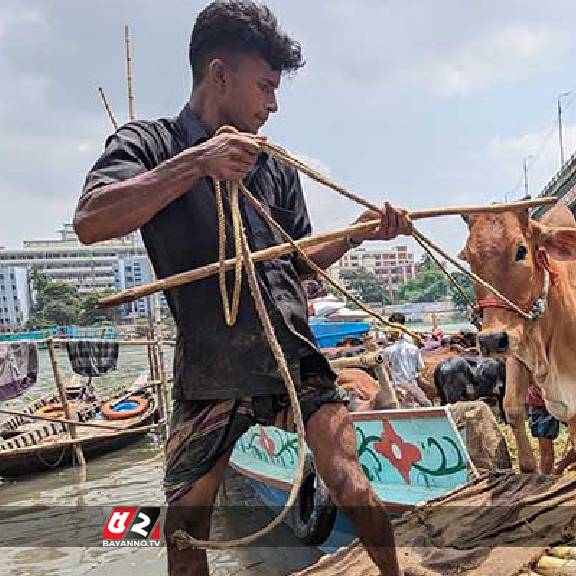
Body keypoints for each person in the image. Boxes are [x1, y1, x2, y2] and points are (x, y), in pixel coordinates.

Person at [73, 3, 407, 574]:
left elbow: (297, 263)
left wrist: (358, 234)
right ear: (220, 75)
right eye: (265, 87)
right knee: (183, 533)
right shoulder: (151, 144)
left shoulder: (275, 166)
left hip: (291, 353)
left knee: (353, 484)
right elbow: (90, 221)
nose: (272, 105)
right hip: (211, 365)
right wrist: (197, 164)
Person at [383, 313, 431, 407]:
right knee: (426, 403)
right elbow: (420, 368)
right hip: (413, 386)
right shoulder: (413, 348)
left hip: (396, 387)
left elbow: (386, 371)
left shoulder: (387, 351)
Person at [526, 384, 559, 474]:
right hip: (542, 408)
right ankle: (546, 477)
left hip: (543, 407)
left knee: (546, 452)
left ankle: (546, 476)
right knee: (546, 452)